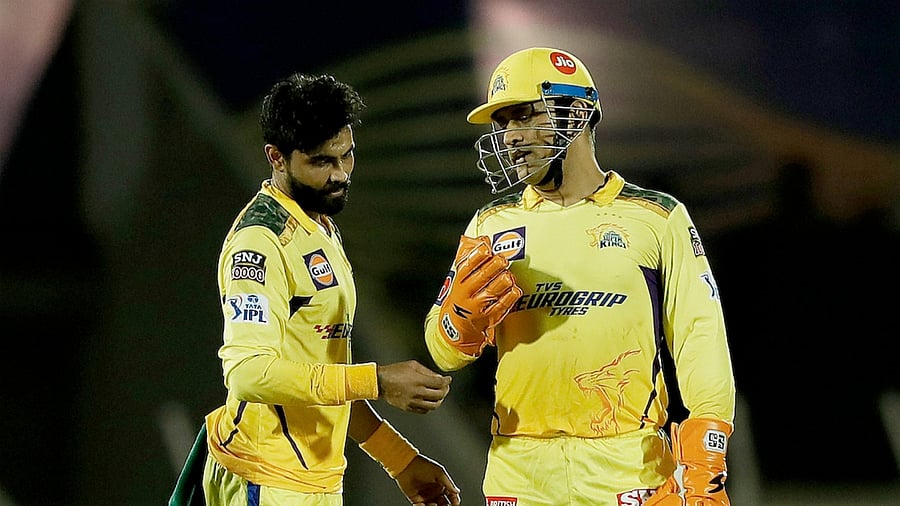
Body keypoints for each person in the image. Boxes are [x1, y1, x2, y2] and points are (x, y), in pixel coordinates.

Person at [423, 47, 736, 505]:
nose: (509, 136)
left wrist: (707, 457)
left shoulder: (657, 216)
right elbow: (442, 353)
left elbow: (699, 337)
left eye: (524, 115)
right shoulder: (489, 223)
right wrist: (459, 322)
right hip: (518, 472)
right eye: (502, 122)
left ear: (576, 111)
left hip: (628, 466)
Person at [192, 72, 461, 506]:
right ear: (276, 157)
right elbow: (248, 374)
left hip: (310, 479)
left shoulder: (319, 227)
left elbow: (325, 373)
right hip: (265, 477)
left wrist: (400, 459)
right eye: (322, 162)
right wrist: (378, 380)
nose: (341, 175)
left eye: (347, 156)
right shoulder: (258, 245)